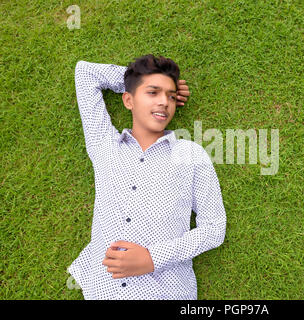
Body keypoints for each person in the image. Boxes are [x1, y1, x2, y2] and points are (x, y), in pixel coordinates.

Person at [67, 54, 227, 300]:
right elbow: (85, 72)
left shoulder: (190, 154)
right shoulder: (104, 145)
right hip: (103, 290)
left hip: (167, 291)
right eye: (153, 93)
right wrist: (134, 80)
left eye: (171, 96)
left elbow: (214, 228)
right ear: (128, 100)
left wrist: (153, 259)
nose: (164, 102)